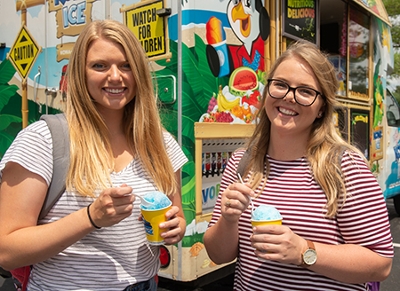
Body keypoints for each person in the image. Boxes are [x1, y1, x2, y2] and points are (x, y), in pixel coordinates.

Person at [0, 19, 187, 291]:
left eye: (126, 65)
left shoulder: (161, 144)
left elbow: (176, 214)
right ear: (80, 73)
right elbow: (7, 250)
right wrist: (90, 218)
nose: (115, 76)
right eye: (99, 66)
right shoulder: (42, 140)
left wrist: (176, 227)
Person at [203, 40, 393, 291]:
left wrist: (303, 251)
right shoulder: (241, 162)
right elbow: (219, 255)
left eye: (305, 91)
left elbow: (380, 264)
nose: (289, 97)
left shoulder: (344, 166)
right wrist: (228, 220)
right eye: (280, 85)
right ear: (267, 91)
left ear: (321, 108)